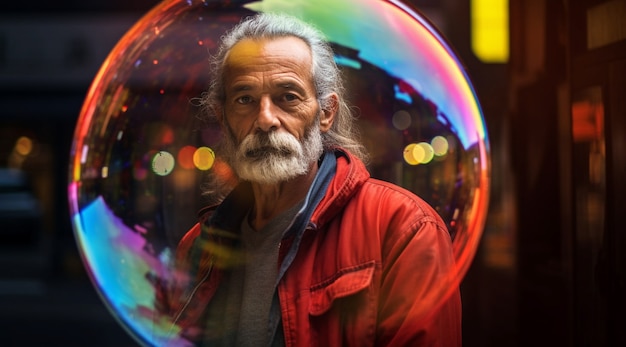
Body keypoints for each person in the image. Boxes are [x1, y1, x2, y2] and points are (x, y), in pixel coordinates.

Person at [157, 12, 461, 347]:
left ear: (326, 113)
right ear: (222, 117)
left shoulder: (402, 229)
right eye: (245, 99)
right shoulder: (199, 246)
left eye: (288, 96)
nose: (265, 119)